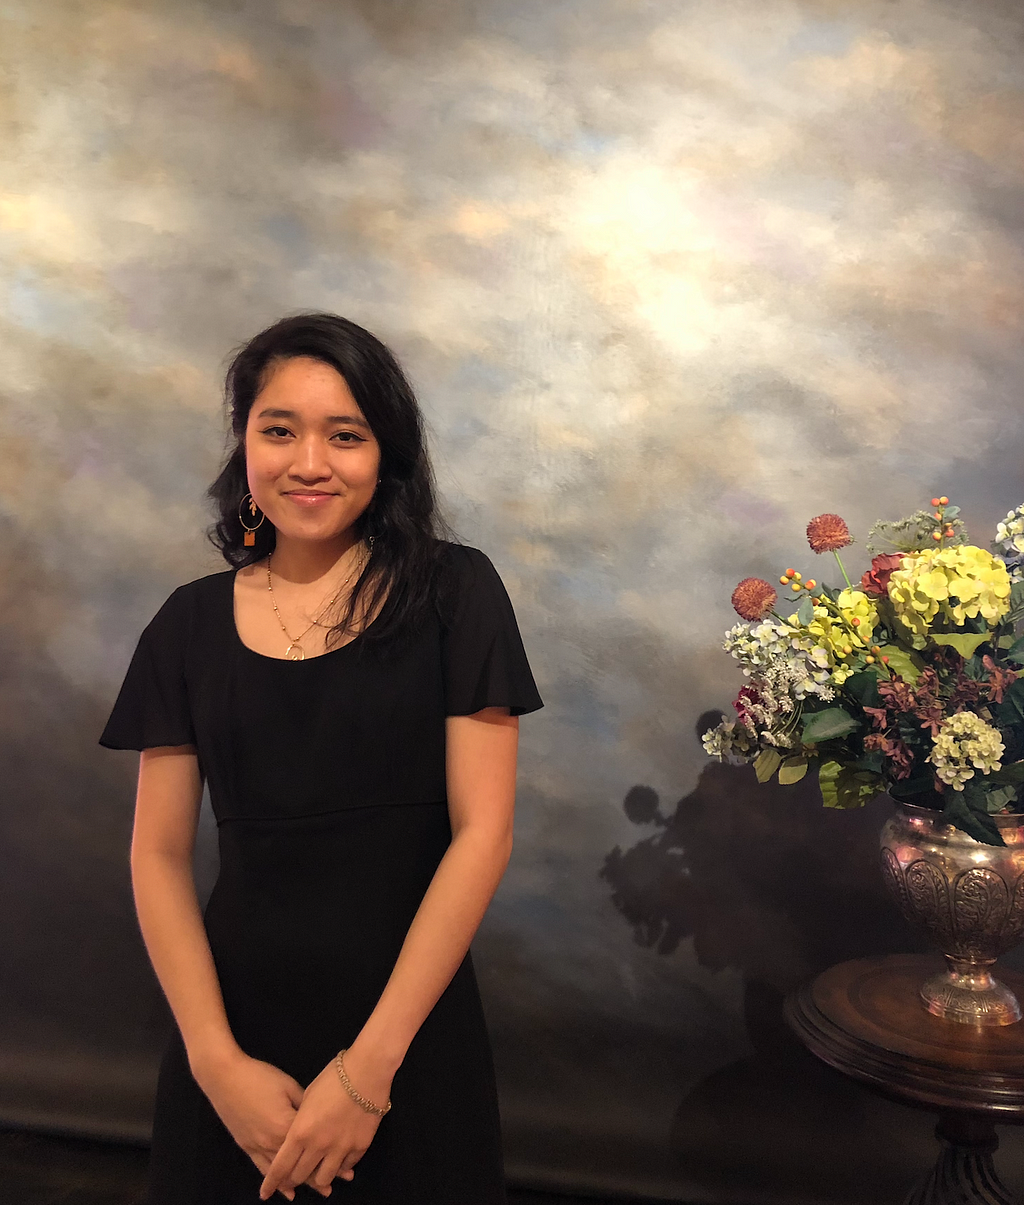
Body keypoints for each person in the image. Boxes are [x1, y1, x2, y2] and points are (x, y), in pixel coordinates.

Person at [99, 312, 544, 1203]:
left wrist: (366, 1074)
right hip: (230, 1032)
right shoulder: (186, 623)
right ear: (244, 443)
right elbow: (154, 853)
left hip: (405, 1032)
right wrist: (216, 1062)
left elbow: (482, 834)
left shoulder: (458, 592)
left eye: (345, 434)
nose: (309, 462)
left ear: (387, 454)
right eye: (279, 430)